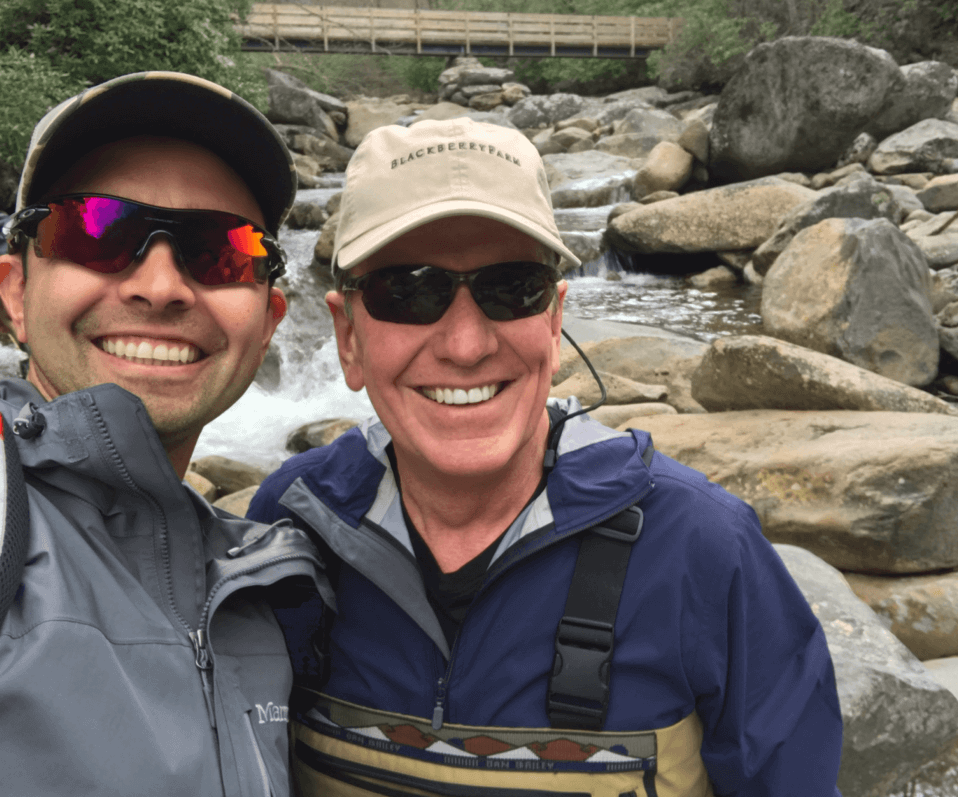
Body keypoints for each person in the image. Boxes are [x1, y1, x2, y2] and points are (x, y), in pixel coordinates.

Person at [248, 118, 844, 795]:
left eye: (511, 287)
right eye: (409, 290)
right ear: (347, 337)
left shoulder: (706, 554)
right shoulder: (289, 528)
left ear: (555, 320)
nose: (466, 344)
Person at [0, 72, 333, 796]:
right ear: (15, 294)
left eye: (222, 250)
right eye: (95, 229)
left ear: (267, 320)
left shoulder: (267, 589)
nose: (160, 284)